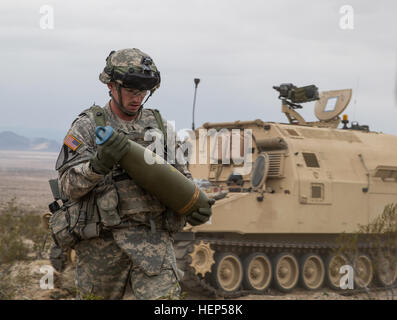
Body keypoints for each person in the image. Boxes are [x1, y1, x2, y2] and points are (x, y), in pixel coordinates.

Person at [55, 48, 212, 300]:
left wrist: (193, 205)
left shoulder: (160, 128)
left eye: (143, 91)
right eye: (131, 90)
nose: (137, 97)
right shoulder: (87, 127)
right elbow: (68, 187)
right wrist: (97, 166)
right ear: (111, 86)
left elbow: (182, 177)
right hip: (102, 249)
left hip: (154, 245)